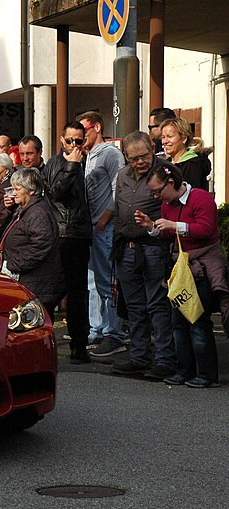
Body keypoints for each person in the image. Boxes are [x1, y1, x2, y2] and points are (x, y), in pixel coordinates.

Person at [134, 161, 227, 387]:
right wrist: (152, 227)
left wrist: (175, 225)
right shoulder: (169, 204)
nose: (156, 197)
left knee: (197, 320)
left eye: (158, 191)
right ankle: (184, 370)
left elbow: (206, 229)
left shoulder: (201, 198)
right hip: (181, 267)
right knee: (178, 322)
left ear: (171, 183)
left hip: (202, 267)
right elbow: (169, 235)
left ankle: (206, 374)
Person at [110, 131, 176, 379]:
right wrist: (116, 244)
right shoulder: (122, 175)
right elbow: (118, 210)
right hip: (126, 249)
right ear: (126, 157)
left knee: (157, 306)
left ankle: (165, 360)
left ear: (152, 148)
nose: (140, 162)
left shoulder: (165, 172)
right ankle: (139, 356)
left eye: (144, 156)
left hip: (154, 249)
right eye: (134, 158)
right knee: (135, 307)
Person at [42, 121, 93, 364]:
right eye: (70, 140)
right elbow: (56, 193)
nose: (74, 145)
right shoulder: (57, 163)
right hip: (62, 234)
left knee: (78, 293)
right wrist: (72, 165)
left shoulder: (88, 162)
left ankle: (79, 347)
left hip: (80, 234)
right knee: (53, 291)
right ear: (62, 140)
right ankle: (45, 345)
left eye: (79, 141)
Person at [77, 110, 126, 357]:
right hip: (92, 227)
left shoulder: (110, 153)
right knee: (93, 280)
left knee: (107, 281)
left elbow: (119, 188)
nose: (80, 136)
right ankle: (97, 328)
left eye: (84, 130)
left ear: (96, 127)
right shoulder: (87, 156)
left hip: (103, 226)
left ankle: (113, 332)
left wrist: (105, 219)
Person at [0, 167, 65, 323]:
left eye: (17, 189)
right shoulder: (27, 208)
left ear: (31, 191)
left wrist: (15, 264)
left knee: (35, 326)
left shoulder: (37, 212)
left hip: (39, 282)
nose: (13, 193)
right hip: (33, 280)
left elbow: (41, 244)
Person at [159, 117, 211, 191]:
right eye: (163, 137)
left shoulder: (193, 166)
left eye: (170, 136)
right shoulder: (165, 164)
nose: (165, 141)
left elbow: (191, 195)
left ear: (184, 138)